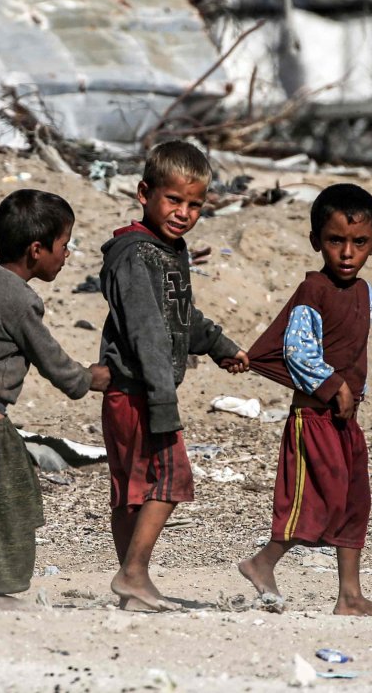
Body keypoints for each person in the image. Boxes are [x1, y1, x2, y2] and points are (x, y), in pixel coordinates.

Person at [0, 189, 111, 610]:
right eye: (64, 245)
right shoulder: (19, 299)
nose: (67, 255)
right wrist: (88, 379)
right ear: (36, 249)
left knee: (18, 497)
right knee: (3, 504)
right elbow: (49, 357)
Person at [98, 141, 247, 611]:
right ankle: (135, 573)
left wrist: (220, 345)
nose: (184, 213)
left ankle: (131, 583)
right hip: (141, 392)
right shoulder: (135, 255)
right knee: (170, 480)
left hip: (134, 392)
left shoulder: (169, 251)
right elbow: (147, 331)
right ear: (145, 192)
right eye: (174, 200)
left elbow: (180, 318)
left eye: (195, 204)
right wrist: (163, 399)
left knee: (133, 491)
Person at [237, 182, 372, 617]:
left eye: (359, 243)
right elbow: (298, 350)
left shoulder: (364, 292)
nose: (347, 252)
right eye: (336, 241)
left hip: (346, 420)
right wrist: (334, 386)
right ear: (315, 242)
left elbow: (355, 347)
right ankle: (261, 562)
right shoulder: (313, 292)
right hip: (314, 417)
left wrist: (354, 392)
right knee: (315, 501)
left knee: (353, 500)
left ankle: (350, 596)